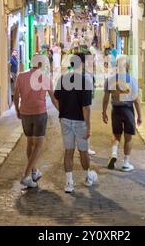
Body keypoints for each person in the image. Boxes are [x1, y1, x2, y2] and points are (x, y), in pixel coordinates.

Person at [55, 53, 98, 193]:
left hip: (65, 120)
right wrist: (89, 127)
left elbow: (55, 98)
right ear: (82, 64)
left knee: (68, 151)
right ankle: (87, 178)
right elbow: (86, 107)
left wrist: (61, 111)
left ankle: (69, 183)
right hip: (80, 121)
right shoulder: (85, 81)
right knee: (83, 151)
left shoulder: (62, 79)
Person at [14, 55, 59, 189]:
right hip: (39, 113)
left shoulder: (21, 76)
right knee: (38, 145)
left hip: (25, 113)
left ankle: (34, 171)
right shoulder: (45, 78)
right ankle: (26, 175)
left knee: (30, 142)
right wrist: (62, 112)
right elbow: (53, 99)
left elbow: (16, 96)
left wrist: (17, 110)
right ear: (41, 64)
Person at [102, 55, 142, 172]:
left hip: (116, 110)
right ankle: (126, 163)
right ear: (128, 65)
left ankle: (114, 153)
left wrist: (104, 112)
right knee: (128, 137)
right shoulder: (132, 80)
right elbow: (136, 100)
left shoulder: (110, 80)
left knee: (116, 134)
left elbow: (105, 99)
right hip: (128, 110)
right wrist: (139, 116)